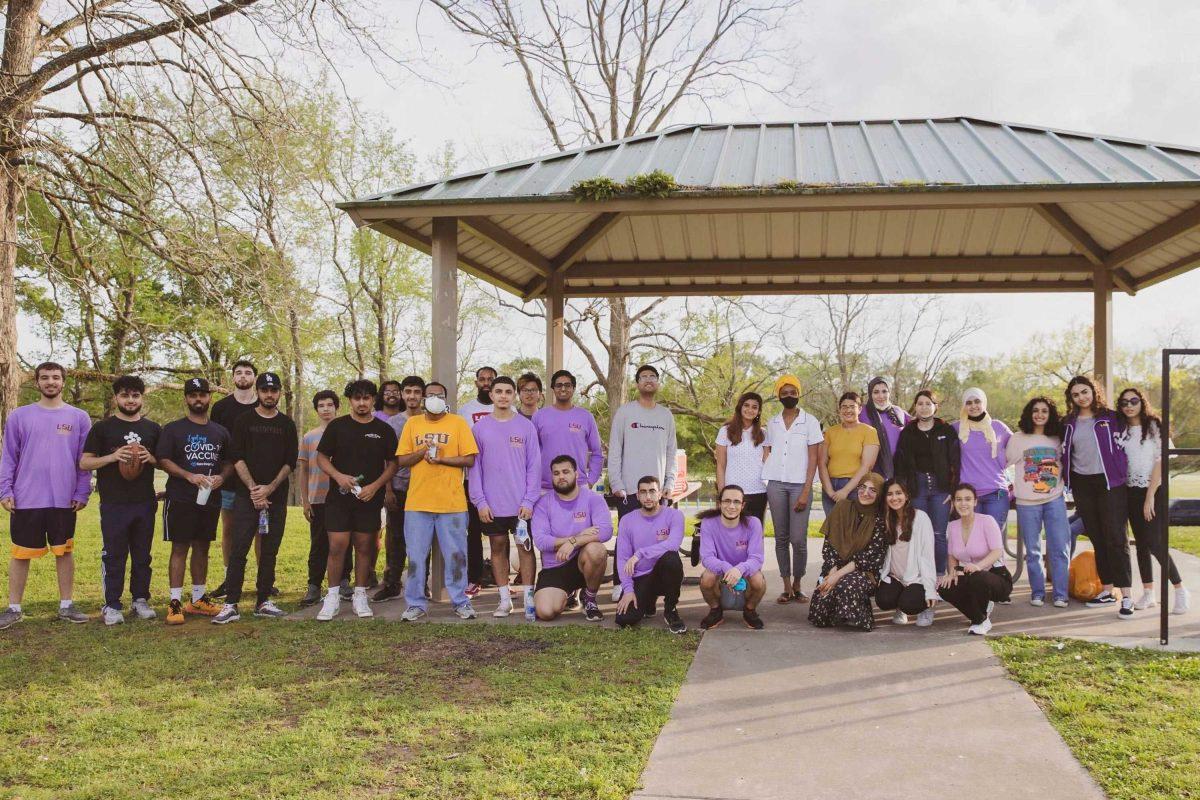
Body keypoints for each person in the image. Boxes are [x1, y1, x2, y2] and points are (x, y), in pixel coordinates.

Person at [0, 362, 92, 629]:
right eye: (44, 378)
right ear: (37, 382)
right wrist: (5, 490)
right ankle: (13, 608)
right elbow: (8, 457)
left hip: (63, 498)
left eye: (55, 377)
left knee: (64, 552)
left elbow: (83, 460)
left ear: (63, 382)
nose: (50, 382)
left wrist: (81, 491)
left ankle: (66, 605)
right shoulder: (19, 416)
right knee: (20, 554)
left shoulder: (79, 417)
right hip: (26, 497)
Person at [214, 372, 297, 624]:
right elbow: (236, 457)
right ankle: (231, 604)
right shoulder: (244, 420)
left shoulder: (286, 424)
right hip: (245, 497)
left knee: (270, 549)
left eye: (273, 390)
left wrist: (269, 489)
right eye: (264, 390)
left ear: (279, 393)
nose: (269, 395)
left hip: (276, 498)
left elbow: (289, 463)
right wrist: (253, 489)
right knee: (239, 549)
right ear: (258, 393)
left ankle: (263, 600)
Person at [80, 375, 161, 626]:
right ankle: (112, 604)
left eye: (135, 395)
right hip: (114, 502)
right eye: (125, 395)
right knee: (114, 554)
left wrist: (151, 458)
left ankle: (140, 600)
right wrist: (113, 457)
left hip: (144, 501)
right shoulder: (103, 428)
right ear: (116, 398)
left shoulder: (153, 430)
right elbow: (84, 462)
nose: (130, 400)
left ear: (141, 398)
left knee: (142, 555)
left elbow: (166, 462)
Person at [315, 380, 399, 621]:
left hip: (369, 499)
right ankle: (331, 597)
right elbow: (321, 457)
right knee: (337, 547)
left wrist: (375, 486)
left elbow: (393, 464)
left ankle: (360, 595)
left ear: (374, 400)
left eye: (366, 398)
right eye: (357, 398)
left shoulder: (383, 430)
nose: (362, 403)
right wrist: (338, 476)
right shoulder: (337, 426)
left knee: (365, 547)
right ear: (350, 401)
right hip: (339, 499)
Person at [395, 381, 479, 621]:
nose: (434, 398)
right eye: (429, 395)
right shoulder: (413, 424)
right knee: (416, 556)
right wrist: (422, 452)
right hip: (418, 503)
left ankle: (461, 601)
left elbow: (469, 460)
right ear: (423, 399)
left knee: (456, 555)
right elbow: (402, 461)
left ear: (446, 398)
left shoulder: (458, 423)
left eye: (438, 395)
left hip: (452, 503)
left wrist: (442, 460)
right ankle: (415, 604)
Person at [155, 377, 231, 625]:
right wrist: (188, 475)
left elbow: (230, 461)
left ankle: (198, 599)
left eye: (203, 394)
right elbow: (163, 459)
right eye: (193, 395)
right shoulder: (173, 429)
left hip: (210, 498)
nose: (198, 399)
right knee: (180, 547)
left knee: (203, 546)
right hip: (180, 497)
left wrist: (221, 476)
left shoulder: (220, 431)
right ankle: (175, 603)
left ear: (210, 397)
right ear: (186, 398)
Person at [467, 376, 541, 617]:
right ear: (491, 395)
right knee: (497, 547)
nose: (503, 396)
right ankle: (503, 599)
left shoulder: (526, 426)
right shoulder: (480, 428)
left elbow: (534, 466)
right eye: (499, 391)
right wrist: (480, 502)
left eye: (508, 392)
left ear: (514, 396)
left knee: (525, 548)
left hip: (521, 505)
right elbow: (474, 469)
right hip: (492, 504)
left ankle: (529, 598)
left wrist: (529, 500)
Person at [1063, 375, 1132, 618]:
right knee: (1098, 538)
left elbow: (1133, 436)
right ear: (1071, 399)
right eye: (1076, 394)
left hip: (1110, 483)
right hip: (1083, 485)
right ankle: (1106, 590)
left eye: (1085, 392)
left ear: (1093, 391)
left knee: (1116, 538)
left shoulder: (1111, 418)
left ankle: (1127, 596)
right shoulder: (1068, 423)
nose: (1081, 397)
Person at [608, 364, 678, 600]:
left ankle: (654, 585)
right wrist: (615, 482)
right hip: (629, 489)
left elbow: (671, 452)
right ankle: (620, 583)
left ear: (658, 383)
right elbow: (615, 448)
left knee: (659, 539)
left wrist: (670, 482)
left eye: (653, 377)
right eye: (643, 377)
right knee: (626, 538)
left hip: (658, 492)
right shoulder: (625, 412)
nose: (648, 380)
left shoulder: (665, 415)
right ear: (637, 384)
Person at [1116, 387, 1189, 615]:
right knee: (1140, 544)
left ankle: (1180, 589)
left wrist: (1149, 497)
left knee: (1155, 543)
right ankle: (1148, 592)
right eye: (1124, 402)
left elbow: (1161, 461)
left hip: (1153, 490)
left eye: (1134, 401)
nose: (1129, 405)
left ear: (1142, 402)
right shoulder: (1121, 429)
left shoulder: (1154, 426)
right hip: (1129, 490)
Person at [760, 376, 823, 604]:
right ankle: (786, 586)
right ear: (778, 395)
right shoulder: (773, 422)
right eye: (784, 392)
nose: (789, 396)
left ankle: (799, 583)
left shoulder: (810, 422)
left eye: (792, 392)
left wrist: (807, 490)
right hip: (776, 485)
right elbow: (766, 450)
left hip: (799, 486)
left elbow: (814, 458)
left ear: (799, 394)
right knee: (781, 537)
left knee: (798, 539)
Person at [1006, 397, 1071, 608]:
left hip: (1054, 499)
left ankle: (1061, 594)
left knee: (1059, 548)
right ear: (1029, 413)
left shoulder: (1057, 438)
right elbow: (1005, 463)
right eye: (1036, 410)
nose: (1040, 414)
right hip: (1027, 502)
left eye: (1045, 411)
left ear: (1050, 414)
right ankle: (1038, 592)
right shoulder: (1018, 438)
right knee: (1032, 551)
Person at [531, 455, 613, 621]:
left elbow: (605, 531)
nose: (561, 476)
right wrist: (577, 536)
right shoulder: (543, 503)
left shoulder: (593, 499)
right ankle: (566, 595)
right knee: (545, 612)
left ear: (576, 474)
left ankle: (589, 598)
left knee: (596, 550)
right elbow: (541, 541)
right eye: (556, 473)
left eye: (566, 472)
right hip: (555, 566)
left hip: (582, 563)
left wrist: (573, 542)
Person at [808, 473, 888, 631]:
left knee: (846, 584)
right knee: (820, 616)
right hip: (835, 566)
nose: (865, 493)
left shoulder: (880, 520)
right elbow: (829, 546)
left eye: (873, 490)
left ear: (879, 495)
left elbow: (868, 559)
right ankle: (841, 609)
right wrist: (832, 572)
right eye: (863, 487)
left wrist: (837, 577)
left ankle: (858, 616)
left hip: (864, 571)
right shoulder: (842, 507)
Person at [894, 389, 959, 575]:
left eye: (928, 404)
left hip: (941, 488)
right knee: (919, 534)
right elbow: (900, 464)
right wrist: (904, 491)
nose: (924, 407)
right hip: (917, 488)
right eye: (920, 404)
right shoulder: (908, 432)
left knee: (939, 535)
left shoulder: (946, 430)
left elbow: (956, 462)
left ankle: (939, 576)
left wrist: (952, 492)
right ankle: (920, 575)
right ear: (915, 407)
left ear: (935, 407)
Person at [209, 360, 260, 599]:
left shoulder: (264, 403)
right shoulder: (221, 407)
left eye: (248, 372)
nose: (243, 376)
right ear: (233, 377)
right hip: (229, 478)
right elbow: (216, 441)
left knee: (262, 530)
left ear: (254, 378)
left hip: (259, 478)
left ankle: (264, 580)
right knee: (229, 528)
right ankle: (230, 579)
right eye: (238, 372)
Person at [297, 390, 352, 607]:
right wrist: (305, 500)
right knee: (318, 543)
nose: (326, 409)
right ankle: (314, 585)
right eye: (322, 405)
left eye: (330, 404)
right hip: (317, 498)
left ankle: (344, 581)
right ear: (316, 409)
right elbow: (304, 470)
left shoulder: (346, 432)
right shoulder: (309, 437)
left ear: (337, 407)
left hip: (341, 497)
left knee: (343, 542)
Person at [376, 375, 427, 603]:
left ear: (423, 395)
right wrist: (387, 489)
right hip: (398, 487)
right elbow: (387, 460)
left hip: (424, 487)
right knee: (396, 539)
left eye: (417, 392)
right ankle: (392, 583)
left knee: (422, 540)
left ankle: (421, 584)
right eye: (408, 391)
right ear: (403, 395)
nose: (412, 396)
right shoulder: (393, 422)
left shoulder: (430, 420)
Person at [938, 483, 1013, 635]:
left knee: (977, 577)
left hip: (997, 577)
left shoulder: (987, 521)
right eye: (958, 499)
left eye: (967, 499)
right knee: (944, 587)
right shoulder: (952, 526)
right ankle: (980, 617)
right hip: (971, 577)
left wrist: (978, 566)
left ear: (975, 502)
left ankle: (980, 617)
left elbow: (997, 551)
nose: (963, 503)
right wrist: (952, 574)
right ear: (953, 502)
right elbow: (952, 555)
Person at [614, 476, 686, 633]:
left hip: (663, 574)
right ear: (637, 496)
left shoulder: (675, 516)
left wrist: (640, 553)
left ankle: (670, 610)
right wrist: (628, 590)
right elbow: (622, 559)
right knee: (624, 620)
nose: (648, 497)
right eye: (643, 492)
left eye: (652, 491)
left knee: (671, 558)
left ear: (660, 494)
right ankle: (648, 601)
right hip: (640, 576)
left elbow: (673, 544)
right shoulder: (627, 520)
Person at [698, 484, 766, 630]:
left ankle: (749, 610)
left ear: (743, 505)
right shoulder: (708, 523)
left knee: (758, 579)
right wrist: (727, 568)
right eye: (727, 501)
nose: (731, 506)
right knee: (707, 577)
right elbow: (707, 557)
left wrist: (739, 570)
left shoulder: (753, 523)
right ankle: (716, 611)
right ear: (719, 503)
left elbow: (757, 558)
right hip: (721, 576)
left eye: (736, 502)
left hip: (745, 576)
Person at [874, 479, 938, 627]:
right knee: (883, 601)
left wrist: (929, 590)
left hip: (917, 578)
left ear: (907, 495)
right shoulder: (886, 520)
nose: (894, 498)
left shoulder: (920, 518)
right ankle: (899, 609)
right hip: (896, 577)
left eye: (898, 493)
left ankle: (928, 607)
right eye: (890, 494)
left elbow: (927, 557)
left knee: (910, 604)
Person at [951, 388, 1012, 531]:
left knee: (993, 540)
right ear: (964, 406)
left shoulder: (998, 427)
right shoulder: (955, 428)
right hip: (968, 494)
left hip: (996, 493)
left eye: (977, 401)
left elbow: (1018, 447)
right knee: (972, 541)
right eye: (969, 402)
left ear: (984, 403)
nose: (973, 406)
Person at [532, 369, 604, 490]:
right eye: (559, 385)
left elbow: (597, 453)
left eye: (567, 385)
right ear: (553, 389)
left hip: (578, 486)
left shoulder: (586, 417)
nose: (563, 389)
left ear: (574, 388)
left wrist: (590, 481)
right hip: (546, 488)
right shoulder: (539, 416)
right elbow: (530, 453)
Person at [459, 366, 496, 598]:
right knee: (472, 532)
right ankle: (474, 578)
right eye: (482, 379)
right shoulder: (465, 411)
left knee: (499, 533)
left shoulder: (507, 407)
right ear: (476, 383)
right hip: (472, 479)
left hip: (500, 482)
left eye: (490, 379)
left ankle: (501, 578)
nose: (486, 383)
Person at [818, 391, 880, 517]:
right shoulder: (830, 432)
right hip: (830, 486)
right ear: (839, 410)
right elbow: (822, 462)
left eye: (852, 406)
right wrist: (829, 490)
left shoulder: (869, 431)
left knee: (852, 531)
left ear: (860, 409)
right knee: (832, 532)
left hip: (855, 488)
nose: (848, 410)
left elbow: (867, 466)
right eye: (844, 407)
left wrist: (845, 490)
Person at [716, 391, 769, 521]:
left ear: (759, 411)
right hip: (732, 493)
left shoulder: (764, 434)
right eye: (746, 405)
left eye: (754, 407)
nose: (750, 409)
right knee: (732, 534)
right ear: (740, 407)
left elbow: (767, 464)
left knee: (755, 533)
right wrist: (721, 494)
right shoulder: (725, 431)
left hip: (758, 492)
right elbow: (721, 466)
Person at [859, 376, 909, 479]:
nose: (881, 396)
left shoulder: (898, 411)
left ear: (889, 392)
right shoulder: (862, 412)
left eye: (884, 391)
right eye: (876, 392)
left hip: (897, 469)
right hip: (871, 471)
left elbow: (919, 422)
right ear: (870, 393)